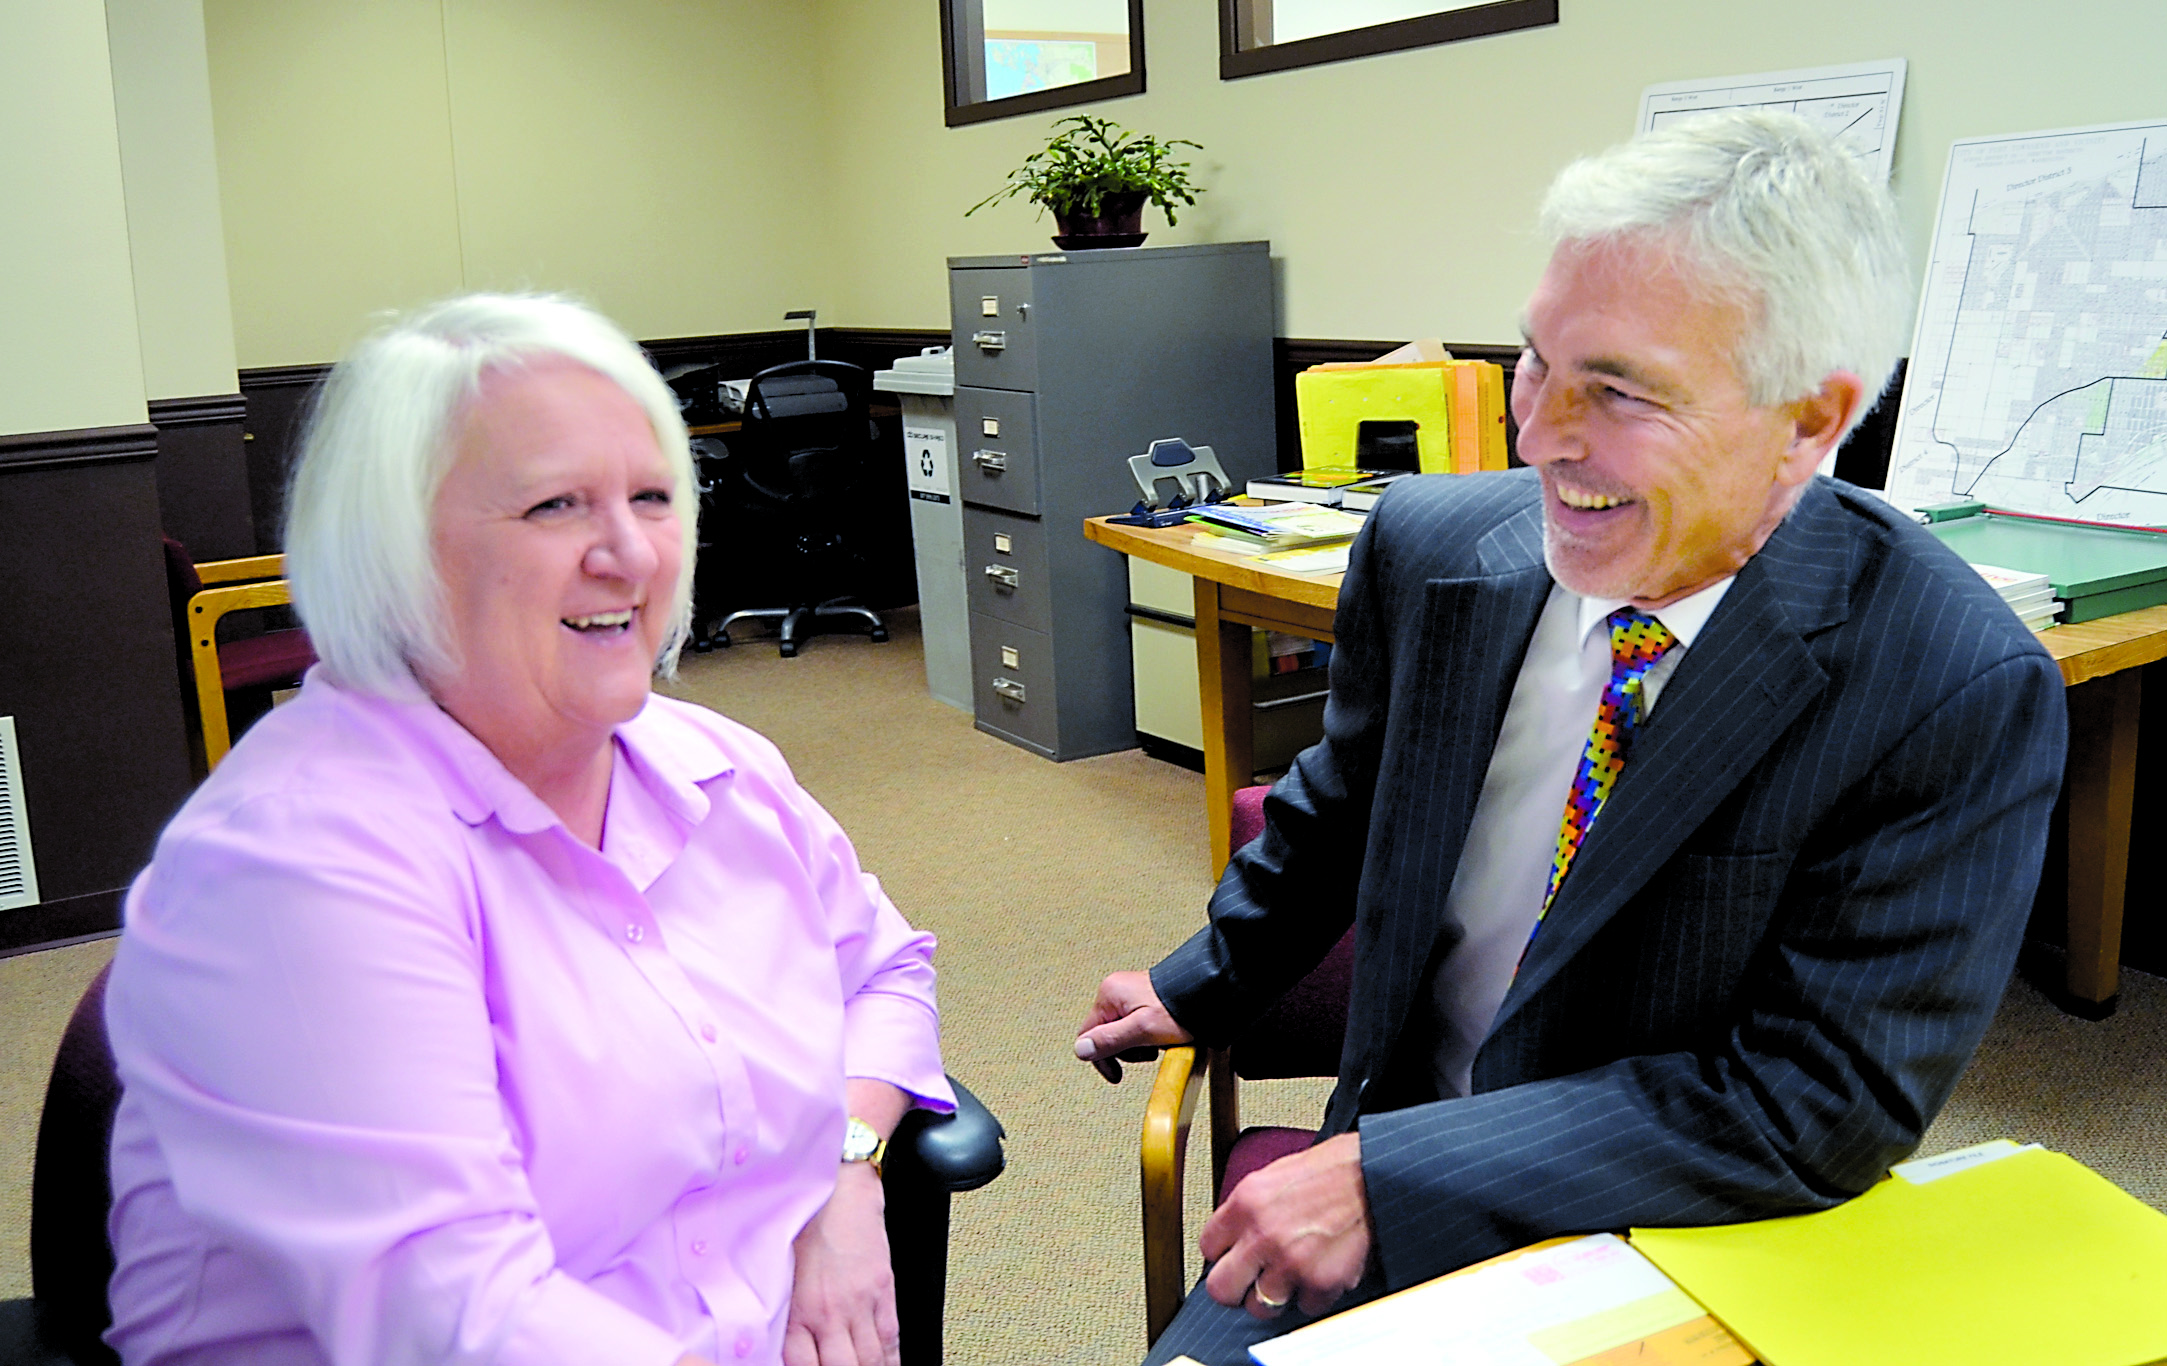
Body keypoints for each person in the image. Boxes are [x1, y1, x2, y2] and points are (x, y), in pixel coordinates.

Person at [1076, 110, 2070, 1365]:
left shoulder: (1949, 681)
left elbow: (1817, 1100)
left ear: (1808, 422)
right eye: (1535, 361)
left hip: (1678, 1236)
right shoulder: (1429, 552)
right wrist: (1195, 983)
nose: (1539, 434)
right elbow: (1337, 812)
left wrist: (1390, 1171)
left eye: (1619, 390)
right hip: (1387, 1169)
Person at [103, 294, 949, 1366]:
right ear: (394, 548)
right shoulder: (295, 862)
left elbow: (884, 972)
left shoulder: (719, 768)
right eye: (557, 506)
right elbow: (462, 1317)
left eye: (652, 496)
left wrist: (845, 1167)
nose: (631, 554)